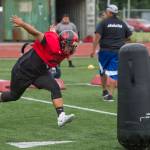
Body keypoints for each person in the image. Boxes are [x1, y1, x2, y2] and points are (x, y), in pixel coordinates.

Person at [0, 15, 79, 127]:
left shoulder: (64, 49)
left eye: (73, 45)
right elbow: (36, 33)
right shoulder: (52, 42)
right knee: (14, 96)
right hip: (23, 70)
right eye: (70, 45)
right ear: (63, 43)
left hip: (40, 72)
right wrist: (22, 24)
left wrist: (52, 31)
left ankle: (61, 117)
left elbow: (54, 35)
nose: (72, 48)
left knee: (55, 87)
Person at [91, 4, 132, 101]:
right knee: (114, 73)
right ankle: (110, 94)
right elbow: (128, 37)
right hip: (118, 51)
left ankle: (104, 90)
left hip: (105, 51)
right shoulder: (122, 23)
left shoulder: (103, 22)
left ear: (109, 12)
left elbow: (97, 37)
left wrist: (93, 50)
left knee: (103, 71)